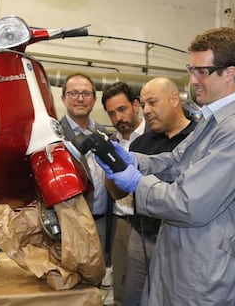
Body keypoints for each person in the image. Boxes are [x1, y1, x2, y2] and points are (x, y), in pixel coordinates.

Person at [96, 27, 235, 305]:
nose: (192, 80)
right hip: (184, 258)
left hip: (205, 271)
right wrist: (135, 161)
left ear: (230, 72)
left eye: (201, 71)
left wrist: (137, 182)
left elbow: (188, 203)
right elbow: (177, 161)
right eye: (191, 69)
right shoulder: (213, 120)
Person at [119, 77, 197, 306]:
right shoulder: (140, 145)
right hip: (142, 235)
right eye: (143, 105)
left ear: (174, 99)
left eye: (152, 102)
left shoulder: (199, 139)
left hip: (180, 240)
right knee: (134, 296)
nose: (146, 111)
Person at [101, 81, 148, 306]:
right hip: (121, 223)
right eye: (111, 113)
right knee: (122, 287)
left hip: (150, 225)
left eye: (122, 109)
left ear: (136, 105)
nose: (118, 117)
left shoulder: (154, 136)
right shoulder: (110, 143)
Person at [59, 73, 112, 266]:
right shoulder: (54, 133)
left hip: (101, 223)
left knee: (95, 280)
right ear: (63, 98)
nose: (80, 99)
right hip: (68, 225)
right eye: (73, 93)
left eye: (86, 94)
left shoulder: (102, 131)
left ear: (94, 99)